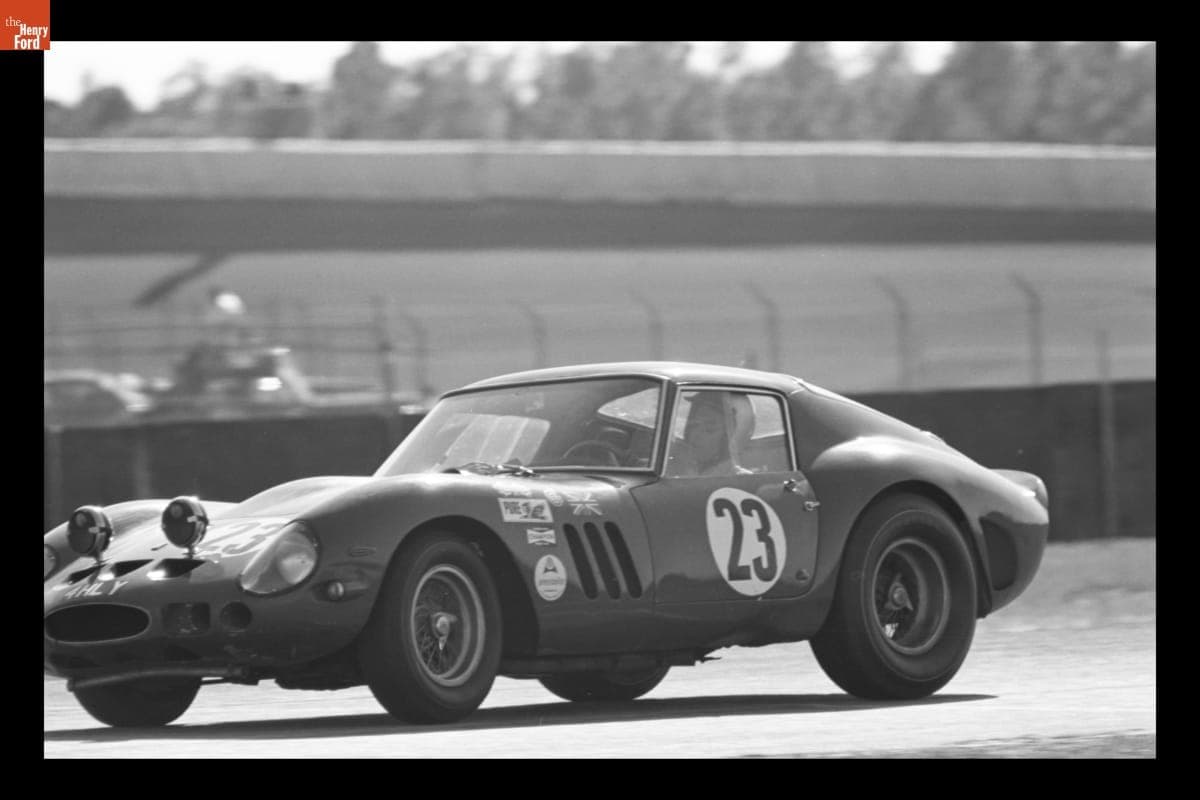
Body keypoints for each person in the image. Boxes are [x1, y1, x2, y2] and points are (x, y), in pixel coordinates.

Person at [666, 392, 755, 477]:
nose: (696, 434)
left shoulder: (741, 483)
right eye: (694, 425)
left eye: (709, 429)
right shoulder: (672, 472)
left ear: (727, 437)